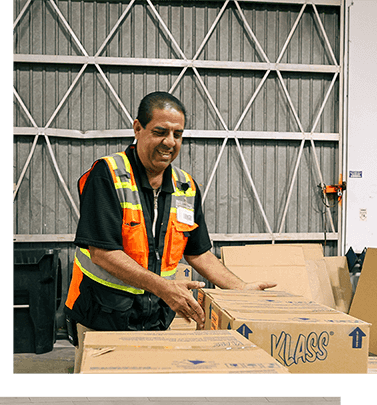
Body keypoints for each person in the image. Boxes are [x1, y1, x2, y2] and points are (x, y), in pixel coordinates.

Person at [65, 91, 275, 341]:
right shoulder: (108, 174)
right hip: (101, 320)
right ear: (137, 128)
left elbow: (197, 252)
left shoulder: (185, 186)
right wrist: (165, 288)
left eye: (178, 134)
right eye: (160, 132)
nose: (170, 142)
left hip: (155, 321)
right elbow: (102, 253)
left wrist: (241, 288)